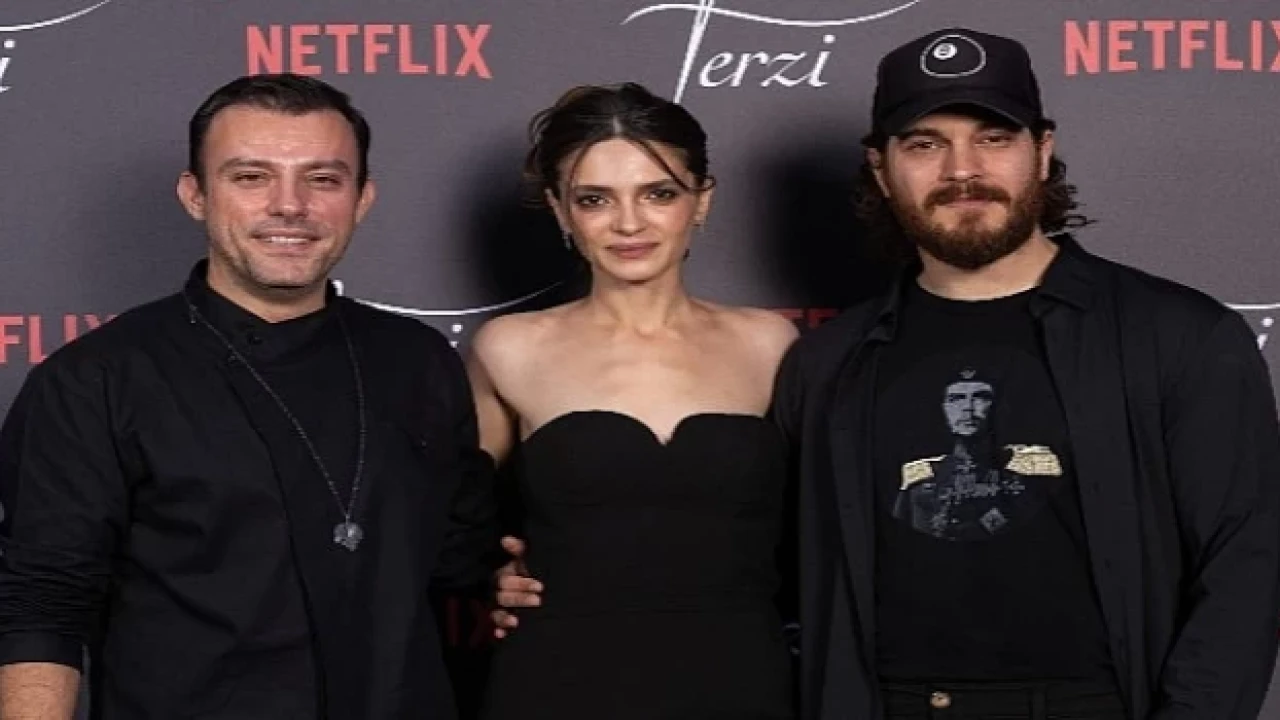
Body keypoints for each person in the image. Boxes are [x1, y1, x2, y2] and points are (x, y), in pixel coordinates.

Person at [770, 28, 1280, 719]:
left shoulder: (1179, 336)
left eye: (993, 138)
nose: (962, 170)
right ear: (881, 169)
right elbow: (784, 583)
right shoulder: (829, 363)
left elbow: (1247, 564)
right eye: (925, 145)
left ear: (1041, 151)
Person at [0, 74, 497, 719]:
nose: (290, 206)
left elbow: (467, 556)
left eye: (323, 179)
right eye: (251, 177)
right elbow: (42, 604)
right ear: (195, 195)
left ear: (362, 198)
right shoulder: (95, 378)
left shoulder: (419, 360)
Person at [468, 83, 798, 719]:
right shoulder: (509, 347)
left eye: (658, 193)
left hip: (740, 678)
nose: (628, 223)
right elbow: (452, 521)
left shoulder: (770, 343)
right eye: (594, 199)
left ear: (702, 200)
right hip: (558, 682)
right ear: (560, 210)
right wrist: (490, 576)